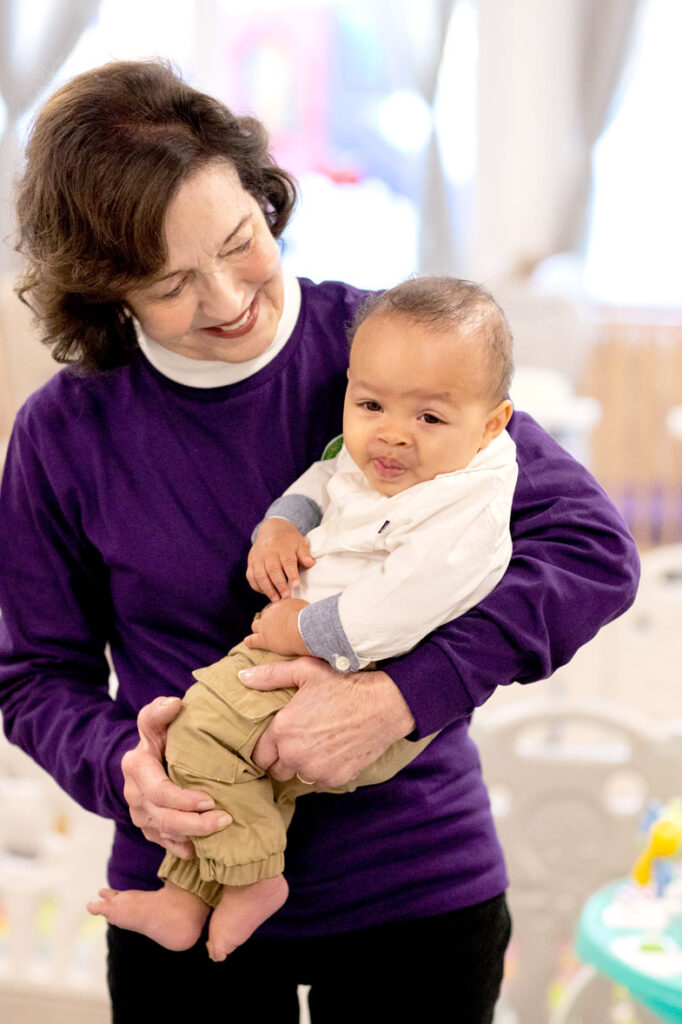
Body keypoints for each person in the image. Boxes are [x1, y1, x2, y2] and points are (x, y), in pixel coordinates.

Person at [0, 60, 639, 1024]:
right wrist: (117, 766)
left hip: (416, 892)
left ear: (266, 197)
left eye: (240, 241)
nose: (226, 299)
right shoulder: (66, 433)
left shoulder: (395, 355)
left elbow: (591, 548)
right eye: (172, 284)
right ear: (106, 292)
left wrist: (399, 697)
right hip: (187, 898)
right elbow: (36, 674)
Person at [87, 276, 519, 961]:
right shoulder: (383, 440)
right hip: (309, 647)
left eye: (429, 418)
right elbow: (327, 476)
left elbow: (393, 609)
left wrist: (296, 631)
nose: (393, 435)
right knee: (230, 767)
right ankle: (189, 895)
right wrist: (281, 527)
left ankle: (252, 881)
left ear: (493, 423)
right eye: (370, 403)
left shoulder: (465, 503)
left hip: (352, 658)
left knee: (197, 737)